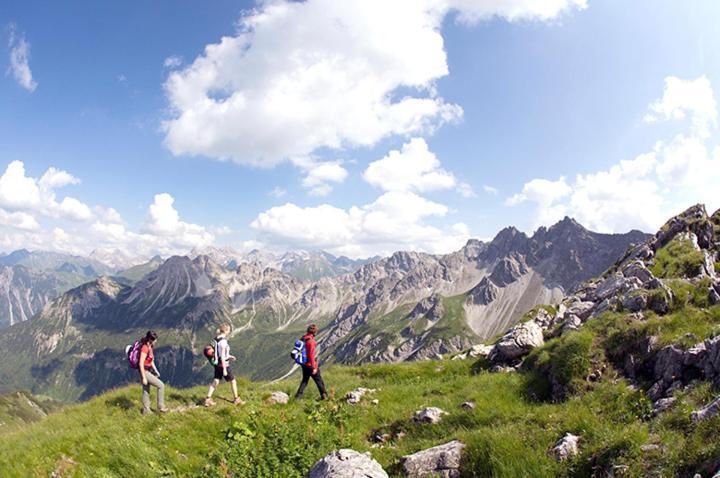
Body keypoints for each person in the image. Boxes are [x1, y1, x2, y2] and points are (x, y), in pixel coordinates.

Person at [205, 324, 244, 406]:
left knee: (216, 380)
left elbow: (218, 353)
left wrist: (230, 356)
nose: (229, 331)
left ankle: (208, 399)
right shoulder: (223, 342)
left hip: (217, 364)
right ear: (226, 331)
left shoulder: (216, 339)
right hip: (224, 365)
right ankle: (236, 399)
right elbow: (222, 356)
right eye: (229, 330)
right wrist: (225, 370)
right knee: (233, 381)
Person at [294, 324, 328, 400]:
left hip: (304, 364)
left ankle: (297, 398)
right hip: (310, 365)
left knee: (304, 381)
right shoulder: (311, 342)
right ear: (314, 332)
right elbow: (311, 356)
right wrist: (314, 368)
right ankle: (325, 397)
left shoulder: (303, 338)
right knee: (319, 381)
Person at [138, 330, 168, 414]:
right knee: (161, 385)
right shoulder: (145, 348)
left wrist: (156, 371)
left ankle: (146, 411)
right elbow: (141, 363)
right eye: (155, 340)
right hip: (144, 371)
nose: (156, 341)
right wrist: (144, 377)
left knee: (146, 390)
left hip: (148, 370)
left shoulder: (150, 346)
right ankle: (161, 406)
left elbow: (151, 361)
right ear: (150, 339)